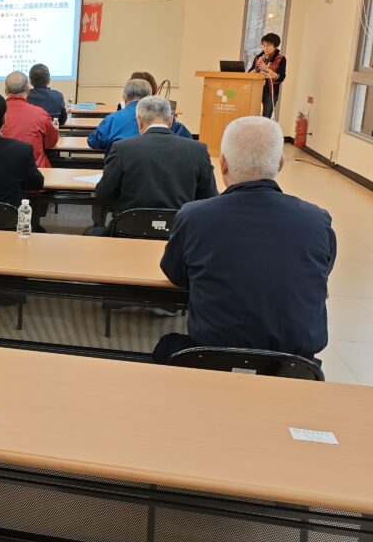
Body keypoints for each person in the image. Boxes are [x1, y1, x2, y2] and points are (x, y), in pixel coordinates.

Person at [153, 116, 335, 363]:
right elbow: (320, 273)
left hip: (211, 358)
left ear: (223, 164)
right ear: (281, 164)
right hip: (294, 366)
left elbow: (176, 275)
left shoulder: (193, 216)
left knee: (165, 346)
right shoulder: (317, 221)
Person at [87, 96, 217, 234]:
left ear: (139, 121)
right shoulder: (198, 150)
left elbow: (103, 194)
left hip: (128, 230)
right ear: (170, 121)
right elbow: (209, 198)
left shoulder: (121, 149)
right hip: (179, 232)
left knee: (91, 232)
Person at [88, 78, 193, 154]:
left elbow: (93, 142)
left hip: (121, 173)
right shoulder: (164, 119)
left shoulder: (112, 119)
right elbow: (189, 141)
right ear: (150, 96)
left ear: (124, 98)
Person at [0, 71, 58, 168]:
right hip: (36, 170)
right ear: (28, 90)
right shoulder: (40, 113)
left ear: (5, 91)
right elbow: (51, 143)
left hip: (3, 170)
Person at [248, 32, 287, 118]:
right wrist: (256, 68)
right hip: (256, 89)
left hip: (271, 92)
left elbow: (281, 77)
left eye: (268, 45)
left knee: (266, 115)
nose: (265, 48)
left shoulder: (281, 59)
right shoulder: (258, 57)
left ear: (275, 46)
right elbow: (249, 74)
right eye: (264, 45)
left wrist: (267, 69)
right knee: (253, 113)